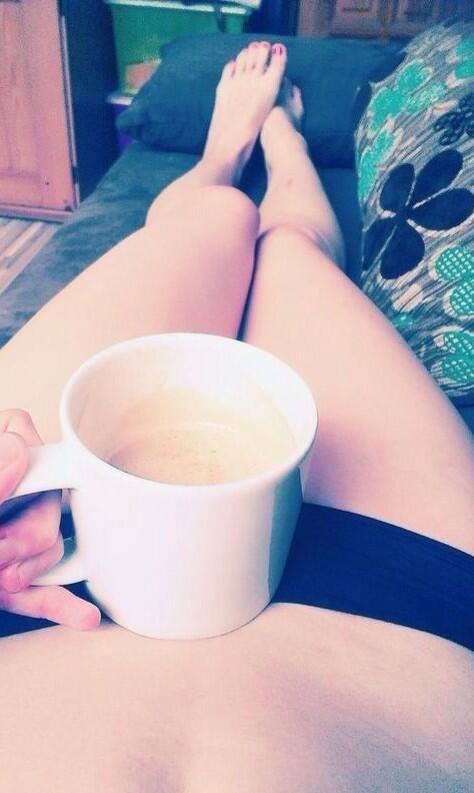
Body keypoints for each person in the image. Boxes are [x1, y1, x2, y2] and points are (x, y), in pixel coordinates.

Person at [0, 43, 472, 792]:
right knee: (291, 249)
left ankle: (230, 157)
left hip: (21, 586)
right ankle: (280, 153)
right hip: (402, 607)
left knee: (216, 218)